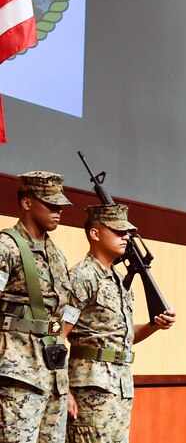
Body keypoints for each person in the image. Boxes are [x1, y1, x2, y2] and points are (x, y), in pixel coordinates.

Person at [64, 204, 176, 443]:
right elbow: (57, 335)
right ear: (94, 234)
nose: (125, 237)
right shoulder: (81, 276)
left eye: (126, 232)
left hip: (120, 387)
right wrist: (63, 390)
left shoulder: (118, 280)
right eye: (117, 231)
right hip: (90, 389)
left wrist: (153, 325)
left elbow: (122, 336)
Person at [0, 171, 77, 443]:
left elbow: (67, 306)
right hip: (18, 371)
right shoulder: (7, 246)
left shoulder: (57, 253)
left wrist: (64, 339)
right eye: (50, 204)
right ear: (27, 203)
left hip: (53, 373)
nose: (58, 211)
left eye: (60, 206)